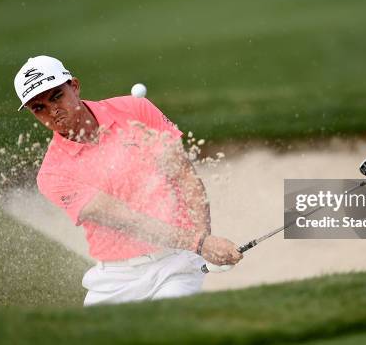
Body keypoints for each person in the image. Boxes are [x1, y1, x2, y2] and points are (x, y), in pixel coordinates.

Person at [13, 55, 242, 306]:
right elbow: (127, 219)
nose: (52, 110)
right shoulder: (52, 174)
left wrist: (202, 239)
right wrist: (201, 244)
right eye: (39, 108)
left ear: (75, 86)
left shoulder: (135, 110)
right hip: (115, 279)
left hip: (175, 262)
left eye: (56, 96)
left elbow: (184, 175)